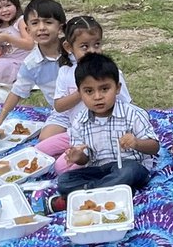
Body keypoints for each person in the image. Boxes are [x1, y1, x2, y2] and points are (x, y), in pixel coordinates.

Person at [51, 53, 159, 206]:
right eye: (89, 91)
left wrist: (136, 143)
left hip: (131, 167)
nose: (97, 96)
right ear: (80, 93)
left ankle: (86, 197)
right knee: (64, 180)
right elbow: (86, 159)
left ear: (117, 88)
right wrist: (78, 156)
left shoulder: (132, 114)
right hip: (99, 170)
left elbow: (155, 147)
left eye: (104, 89)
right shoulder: (80, 121)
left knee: (128, 171)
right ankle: (113, 190)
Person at [35, 16, 132, 173]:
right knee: (39, 151)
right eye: (85, 47)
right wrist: (82, 92)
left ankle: (92, 160)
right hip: (76, 131)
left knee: (61, 168)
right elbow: (59, 106)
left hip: (102, 133)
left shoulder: (110, 72)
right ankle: (76, 154)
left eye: (97, 45)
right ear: (69, 47)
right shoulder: (66, 73)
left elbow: (126, 105)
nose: (92, 51)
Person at [0, 0, 67, 136]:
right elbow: (16, 92)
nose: (41, 28)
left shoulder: (74, 51)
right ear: (27, 29)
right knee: (45, 139)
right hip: (63, 113)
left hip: (89, 105)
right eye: (35, 23)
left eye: (48, 22)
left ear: (60, 28)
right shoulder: (31, 64)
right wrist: (0, 119)